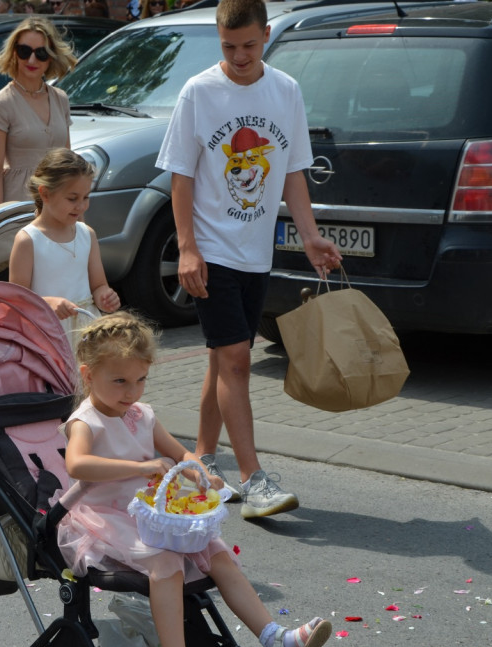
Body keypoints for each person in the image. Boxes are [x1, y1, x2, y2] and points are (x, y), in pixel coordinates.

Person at [58, 311, 332, 647]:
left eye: (141, 380)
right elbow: (77, 465)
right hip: (109, 516)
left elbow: (182, 453)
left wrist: (200, 471)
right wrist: (140, 469)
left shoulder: (141, 414)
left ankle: (275, 640)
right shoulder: (86, 421)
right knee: (166, 563)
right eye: (120, 380)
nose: (132, 391)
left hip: (152, 513)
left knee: (217, 554)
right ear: (88, 375)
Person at [155, 0, 342, 518]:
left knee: (221, 360)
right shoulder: (199, 92)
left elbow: (292, 171)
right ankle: (252, 479)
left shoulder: (286, 91)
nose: (239, 56)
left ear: (266, 36)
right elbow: (181, 175)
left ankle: (202, 462)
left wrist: (309, 237)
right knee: (237, 360)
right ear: (219, 39)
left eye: (249, 45)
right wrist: (188, 247)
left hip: (256, 251)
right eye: (228, 47)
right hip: (212, 253)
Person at [9, 148, 119, 345]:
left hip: (87, 330)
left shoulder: (87, 234)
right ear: (46, 194)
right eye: (72, 198)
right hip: (47, 333)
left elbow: (98, 284)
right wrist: (49, 303)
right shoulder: (28, 240)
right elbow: (17, 300)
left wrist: (105, 296)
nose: (81, 206)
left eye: (86, 197)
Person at [0, 16, 75, 221]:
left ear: (51, 56)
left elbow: (68, 164)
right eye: (24, 51)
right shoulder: (2, 102)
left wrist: (75, 208)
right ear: (14, 52)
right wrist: (0, 220)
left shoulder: (60, 99)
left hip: (56, 202)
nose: (32, 60)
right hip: (17, 206)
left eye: (41, 53)